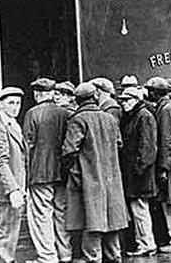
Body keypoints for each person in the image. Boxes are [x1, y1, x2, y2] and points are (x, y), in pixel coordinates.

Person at [62, 82, 128, 263]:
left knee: (91, 220)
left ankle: (94, 258)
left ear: (77, 100)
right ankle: (114, 256)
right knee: (112, 220)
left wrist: (72, 171)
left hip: (88, 177)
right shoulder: (109, 119)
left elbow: (69, 151)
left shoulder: (78, 119)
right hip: (111, 177)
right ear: (95, 97)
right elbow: (119, 144)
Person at [22, 78, 73, 263]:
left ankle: (47, 256)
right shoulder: (65, 113)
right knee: (61, 214)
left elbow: (27, 146)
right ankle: (65, 254)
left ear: (36, 94)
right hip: (61, 173)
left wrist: (24, 177)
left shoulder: (32, 114)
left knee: (41, 215)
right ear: (52, 93)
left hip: (40, 172)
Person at [145, 78, 171, 253]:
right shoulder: (167, 108)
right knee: (170, 201)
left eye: (149, 90)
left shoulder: (167, 110)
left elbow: (169, 141)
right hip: (170, 164)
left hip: (170, 166)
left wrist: (164, 168)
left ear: (155, 92)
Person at [0, 86, 27, 263]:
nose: (15, 107)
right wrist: (13, 190)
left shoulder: (11, 124)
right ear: (0, 105)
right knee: (5, 231)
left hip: (14, 187)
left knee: (11, 230)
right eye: (11, 103)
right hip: (6, 191)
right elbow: (0, 163)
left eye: (18, 103)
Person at [118, 87, 158, 256]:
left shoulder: (143, 116)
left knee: (140, 210)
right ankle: (144, 242)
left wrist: (138, 169)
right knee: (139, 210)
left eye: (127, 100)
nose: (124, 103)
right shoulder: (137, 116)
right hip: (137, 173)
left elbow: (148, 147)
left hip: (140, 174)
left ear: (135, 99)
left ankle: (146, 243)